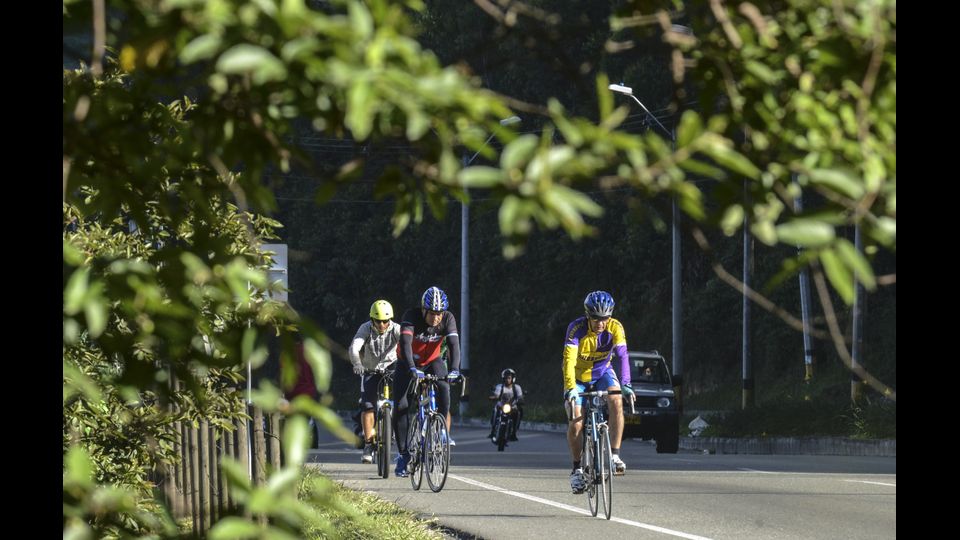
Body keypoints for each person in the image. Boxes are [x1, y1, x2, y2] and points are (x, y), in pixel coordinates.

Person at [562, 290, 634, 494]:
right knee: (576, 419)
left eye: (605, 318)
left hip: (603, 372)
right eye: (596, 319)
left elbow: (622, 356)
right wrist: (570, 389)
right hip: (577, 377)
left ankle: (615, 455)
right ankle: (576, 469)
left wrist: (626, 383)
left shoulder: (615, 327)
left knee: (617, 399)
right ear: (588, 316)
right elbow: (568, 362)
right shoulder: (576, 329)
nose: (600, 323)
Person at [392, 286, 461, 477]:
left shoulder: (448, 318)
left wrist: (455, 369)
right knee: (401, 405)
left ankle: (439, 430)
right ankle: (403, 454)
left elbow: (454, 346)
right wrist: (412, 368)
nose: (436, 318)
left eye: (439, 314)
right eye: (432, 313)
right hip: (408, 361)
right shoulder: (411, 316)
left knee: (444, 386)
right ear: (423, 310)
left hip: (432, 360)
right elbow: (405, 344)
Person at [348, 300, 401, 464]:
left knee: (401, 400)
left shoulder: (396, 329)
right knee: (368, 406)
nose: (382, 324)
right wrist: (357, 363)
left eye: (386, 321)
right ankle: (369, 444)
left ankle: (397, 435)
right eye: (378, 321)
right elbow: (354, 347)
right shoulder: (365, 328)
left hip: (391, 367)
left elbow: (407, 345)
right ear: (372, 319)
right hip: (370, 369)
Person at [488, 368, 524, 443]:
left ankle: (514, 432)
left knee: (519, 412)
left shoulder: (517, 387)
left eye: (509, 378)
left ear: (513, 379)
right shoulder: (499, 387)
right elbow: (496, 395)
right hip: (501, 405)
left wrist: (521, 400)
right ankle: (493, 430)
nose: (507, 380)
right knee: (495, 409)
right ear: (503, 378)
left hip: (512, 406)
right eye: (505, 378)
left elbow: (520, 397)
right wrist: (493, 397)